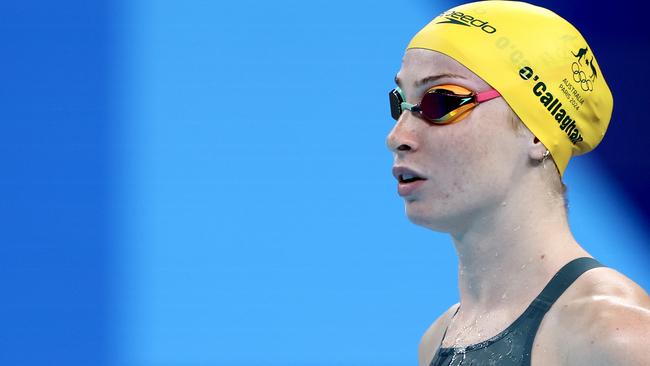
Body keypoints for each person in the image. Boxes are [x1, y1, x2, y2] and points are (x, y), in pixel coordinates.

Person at [385, 1, 650, 365]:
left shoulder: (616, 333)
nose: (398, 136)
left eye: (441, 102)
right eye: (400, 104)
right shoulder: (438, 340)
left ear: (537, 133)